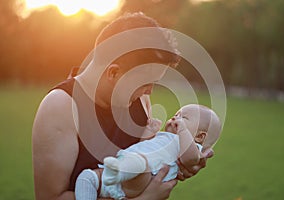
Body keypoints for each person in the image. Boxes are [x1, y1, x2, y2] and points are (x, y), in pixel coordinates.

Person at [32, 12, 213, 200]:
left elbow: (143, 166)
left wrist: (180, 161)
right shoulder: (60, 107)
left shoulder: (140, 101)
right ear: (113, 73)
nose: (149, 92)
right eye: (144, 83)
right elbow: (51, 197)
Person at [75, 104, 221, 200]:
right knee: (86, 177)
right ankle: (117, 172)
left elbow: (190, 159)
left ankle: (119, 171)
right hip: (121, 170)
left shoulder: (190, 146)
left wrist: (182, 130)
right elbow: (141, 146)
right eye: (176, 114)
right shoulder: (163, 137)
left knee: (141, 163)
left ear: (199, 136)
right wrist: (148, 132)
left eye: (184, 118)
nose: (176, 118)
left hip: (142, 179)